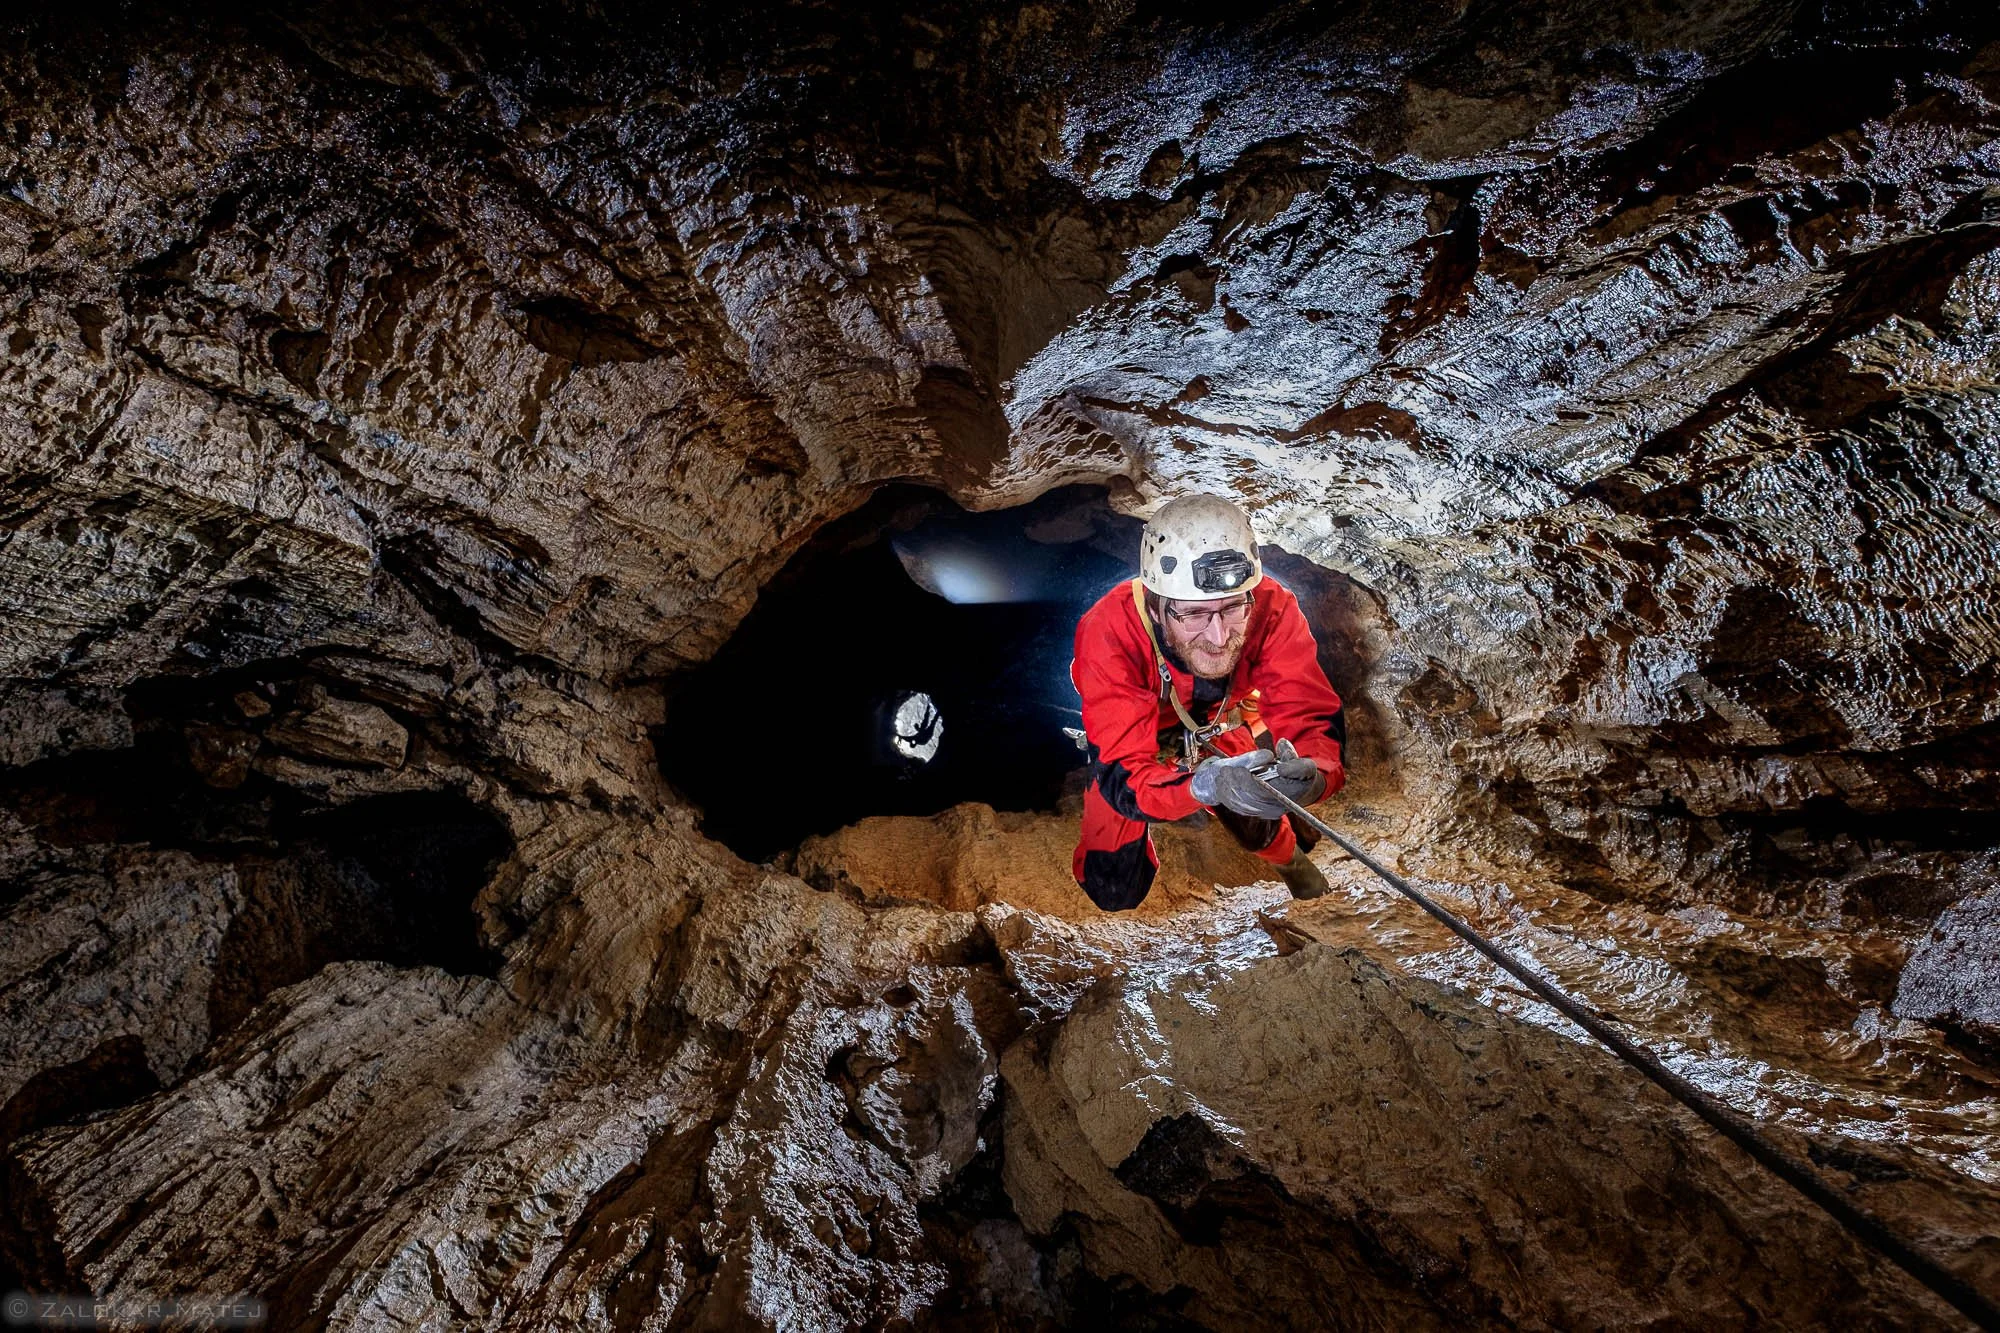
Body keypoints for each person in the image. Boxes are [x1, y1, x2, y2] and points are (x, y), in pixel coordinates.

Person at [1069, 494, 1346, 910]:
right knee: (1113, 884)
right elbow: (1123, 771)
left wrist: (1316, 775)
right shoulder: (1109, 630)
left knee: (1255, 805)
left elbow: (1308, 709)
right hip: (1131, 739)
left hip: (1214, 722)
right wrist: (1202, 784)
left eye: (1233, 608)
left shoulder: (1272, 606)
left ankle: (1294, 864)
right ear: (1158, 608)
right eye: (1195, 615)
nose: (1218, 638)